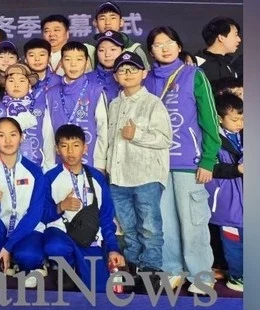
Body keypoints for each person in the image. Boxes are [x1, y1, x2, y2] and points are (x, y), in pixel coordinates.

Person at [143, 26, 220, 293]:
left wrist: (208, 160)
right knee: (164, 221)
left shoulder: (194, 75)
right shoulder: (146, 80)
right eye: (157, 45)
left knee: (193, 222)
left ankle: (201, 275)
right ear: (150, 51)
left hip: (190, 163)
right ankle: (172, 270)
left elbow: (209, 119)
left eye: (169, 42)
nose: (164, 48)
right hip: (157, 165)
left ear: (178, 46)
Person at [104, 51, 172, 286]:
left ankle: (152, 271)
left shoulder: (153, 103)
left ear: (144, 73)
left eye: (133, 69)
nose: (127, 73)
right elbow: (110, 141)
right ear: (115, 76)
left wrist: (137, 135)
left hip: (146, 177)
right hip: (118, 177)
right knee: (128, 227)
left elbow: (165, 138)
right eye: (122, 70)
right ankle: (132, 268)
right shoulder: (114, 104)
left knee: (150, 227)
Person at [42, 125, 125, 292]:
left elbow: (106, 217)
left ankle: (87, 267)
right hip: (62, 235)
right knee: (55, 246)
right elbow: (42, 215)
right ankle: (67, 267)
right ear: (57, 149)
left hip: (89, 239)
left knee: (99, 290)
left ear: (85, 148)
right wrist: (60, 207)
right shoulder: (50, 177)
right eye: (64, 146)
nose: (70, 151)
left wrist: (113, 249)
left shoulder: (97, 177)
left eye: (76, 145)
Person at [0, 117, 50, 288]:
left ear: (21, 137)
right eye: (1, 135)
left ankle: (24, 262)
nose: (8, 141)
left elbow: (35, 214)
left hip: (27, 229)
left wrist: (8, 246)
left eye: (13, 134)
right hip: (1, 228)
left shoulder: (34, 171)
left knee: (29, 256)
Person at [42, 42, 108, 171]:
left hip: (90, 162)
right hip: (58, 163)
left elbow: (103, 129)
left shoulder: (96, 91)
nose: (73, 64)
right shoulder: (51, 93)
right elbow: (48, 132)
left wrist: (100, 164)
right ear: (61, 63)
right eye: (68, 59)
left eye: (79, 59)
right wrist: (49, 165)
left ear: (87, 62)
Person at [207, 93, 244, 292]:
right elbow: (210, 167)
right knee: (233, 242)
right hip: (227, 202)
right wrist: (237, 169)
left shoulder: (243, 136)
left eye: (243, 119)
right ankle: (237, 276)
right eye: (235, 119)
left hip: (243, 200)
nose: (240, 124)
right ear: (220, 118)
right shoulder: (211, 138)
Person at [0, 64, 51, 169]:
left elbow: (48, 139)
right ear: (5, 85)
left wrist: (48, 169)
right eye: (11, 81)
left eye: (22, 81)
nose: (16, 85)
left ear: (29, 85)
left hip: (35, 166)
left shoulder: (39, 108)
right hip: (2, 168)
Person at [91, 1, 148, 68]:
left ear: (121, 22)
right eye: (102, 18)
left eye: (113, 18)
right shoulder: (89, 50)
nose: (107, 23)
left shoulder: (135, 50)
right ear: (95, 23)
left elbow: (145, 73)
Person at [196, 17, 243, 85]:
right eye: (235, 35)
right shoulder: (195, 63)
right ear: (221, 37)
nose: (239, 39)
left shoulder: (230, 69)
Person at [92, 30, 124, 103]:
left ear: (123, 51)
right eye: (102, 50)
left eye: (113, 49)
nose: (107, 54)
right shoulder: (86, 79)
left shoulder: (131, 78)